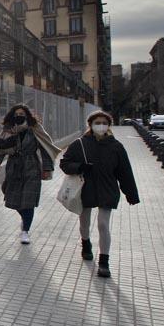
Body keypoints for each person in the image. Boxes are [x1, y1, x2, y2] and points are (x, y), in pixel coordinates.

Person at [59, 110, 140, 278]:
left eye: (104, 122)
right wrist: (80, 167)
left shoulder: (116, 147)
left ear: (109, 125)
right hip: (85, 189)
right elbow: (64, 163)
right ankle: (86, 243)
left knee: (103, 224)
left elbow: (125, 172)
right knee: (85, 222)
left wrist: (131, 194)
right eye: (97, 122)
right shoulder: (79, 144)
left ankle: (104, 262)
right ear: (90, 125)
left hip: (107, 189)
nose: (101, 125)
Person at [0, 104, 62, 244]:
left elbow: (45, 148)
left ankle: (25, 231)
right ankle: (25, 219)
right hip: (14, 168)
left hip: (32, 167)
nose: (19, 115)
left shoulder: (35, 128)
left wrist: (47, 168)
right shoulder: (7, 130)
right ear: (12, 115)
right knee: (13, 199)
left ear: (27, 115)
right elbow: (0, 148)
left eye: (22, 113)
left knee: (28, 201)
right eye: (16, 113)